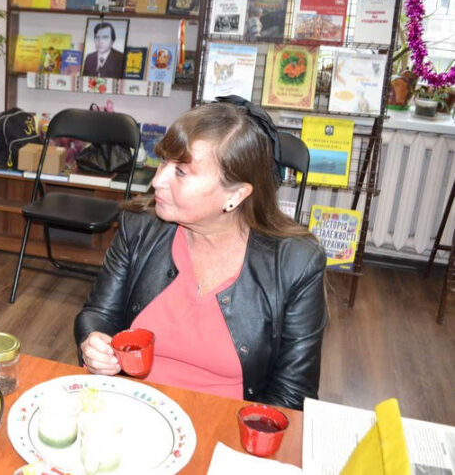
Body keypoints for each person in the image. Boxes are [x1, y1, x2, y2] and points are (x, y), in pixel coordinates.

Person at [75, 101, 327, 410]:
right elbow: (99, 314)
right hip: (131, 409)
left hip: (225, 424)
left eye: (181, 172)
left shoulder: (295, 263)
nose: (157, 181)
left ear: (236, 195)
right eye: (163, 162)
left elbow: (291, 396)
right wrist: (93, 342)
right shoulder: (140, 226)